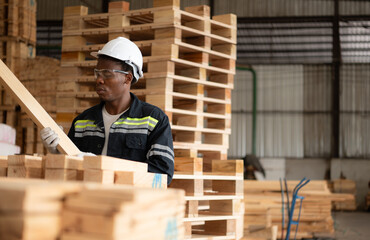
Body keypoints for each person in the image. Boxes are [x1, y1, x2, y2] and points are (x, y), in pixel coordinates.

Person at [41, 37, 174, 184]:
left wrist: (103, 166)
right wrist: (56, 152)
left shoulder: (153, 120)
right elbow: (70, 172)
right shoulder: (82, 122)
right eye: (97, 73)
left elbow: (162, 174)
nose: (99, 79)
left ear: (127, 78)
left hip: (129, 204)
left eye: (107, 74)